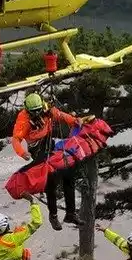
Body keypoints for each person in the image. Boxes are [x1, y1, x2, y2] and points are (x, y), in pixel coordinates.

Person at [11, 93, 86, 230]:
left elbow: (61, 116)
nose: (37, 113)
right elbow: (16, 139)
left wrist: (74, 121)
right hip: (36, 148)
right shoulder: (23, 119)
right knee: (51, 180)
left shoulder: (47, 109)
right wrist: (23, 153)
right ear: (27, 110)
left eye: (38, 110)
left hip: (48, 141)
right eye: (33, 111)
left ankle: (71, 213)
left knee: (69, 174)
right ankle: (53, 216)